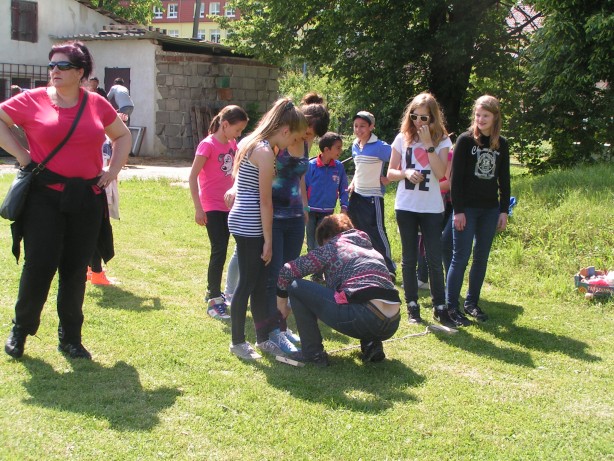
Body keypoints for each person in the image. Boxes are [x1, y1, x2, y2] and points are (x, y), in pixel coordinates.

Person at [0, 40, 131, 359]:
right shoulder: (32, 100)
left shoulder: (96, 104)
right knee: (39, 265)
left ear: (81, 72)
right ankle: (21, 330)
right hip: (44, 197)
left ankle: (71, 338)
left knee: (75, 270)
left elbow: (122, 135)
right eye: (52, 65)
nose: (54, 71)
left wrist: (112, 170)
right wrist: (22, 155)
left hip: (86, 197)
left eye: (62, 65)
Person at [226, 97, 307, 361]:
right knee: (248, 283)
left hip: (245, 219)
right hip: (250, 223)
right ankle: (238, 342)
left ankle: (263, 338)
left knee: (260, 284)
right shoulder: (263, 151)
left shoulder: (251, 143)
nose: (291, 144)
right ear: (284, 130)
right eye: (292, 138)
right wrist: (269, 240)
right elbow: (265, 201)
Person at [276, 214, 401, 366]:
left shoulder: (332, 247)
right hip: (392, 322)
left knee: (297, 287)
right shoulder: (370, 250)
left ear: (326, 237)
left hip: (365, 316)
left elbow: (287, 271)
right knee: (358, 291)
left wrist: (282, 305)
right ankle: (371, 345)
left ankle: (313, 353)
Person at [387, 92, 467, 327]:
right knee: (409, 258)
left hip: (431, 208)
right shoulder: (402, 138)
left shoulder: (442, 140)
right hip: (406, 206)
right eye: (415, 117)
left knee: (433, 258)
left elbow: (441, 173)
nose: (418, 122)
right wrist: (405, 173)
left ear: (433, 118)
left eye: (424, 118)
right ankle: (412, 305)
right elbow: (390, 173)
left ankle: (440, 307)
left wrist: (429, 145)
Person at [260, 92, 330, 356]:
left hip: (294, 217)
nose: (307, 137)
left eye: (312, 135)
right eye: (307, 132)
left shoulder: (306, 145)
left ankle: (282, 325)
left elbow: (300, 177)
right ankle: (273, 332)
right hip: (274, 217)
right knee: (274, 275)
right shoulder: (278, 141)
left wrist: (305, 206)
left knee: (289, 274)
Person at [446, 95, 511, 322]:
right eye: (478, 115)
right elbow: (455, 180)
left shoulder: (502, 144)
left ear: (495, 118)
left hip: (490, 210)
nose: (481, 119)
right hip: (467, 210)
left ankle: (471, 303)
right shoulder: (465, 140)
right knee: (460, 258)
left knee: (481, 258)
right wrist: (458, 211)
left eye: (485, 116)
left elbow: (504, 179)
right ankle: (451, 307)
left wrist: (504, 210)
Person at [189, 105, 249, 320]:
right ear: (225, 125)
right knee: (219, 250)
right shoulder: (207, 145)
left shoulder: (232, 144)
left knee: (231, 247)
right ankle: (214, 299)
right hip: (212, 206)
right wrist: (198, 208)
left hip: (229, 206)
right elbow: (192, 177)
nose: (239, 134)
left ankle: (216, 292)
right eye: (237, 129)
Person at [347, 110, 396, 279]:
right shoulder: (355, 145)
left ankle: (388, 268)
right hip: (356, 195)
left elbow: (399, 159)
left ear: (371, 127)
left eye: (362, 126)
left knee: (377, 232)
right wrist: (353, 182)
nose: (358, 129)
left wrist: (389, 178)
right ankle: (363, 265)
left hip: (373, 197)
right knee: (356, 231)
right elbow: (358, 168)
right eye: (356, 126)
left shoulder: (380, 146)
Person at [305, 131, 349, 252]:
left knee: (321, 245)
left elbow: (344, 189)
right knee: (311, 244)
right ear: (326, 149)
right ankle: (313, 263)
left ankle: (320, 264)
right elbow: (303, 189)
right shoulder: (311, 166)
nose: (341, 151)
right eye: (338, 148)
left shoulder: (339, 167)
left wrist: (344, 207)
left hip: (327, 213)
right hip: (310, 212)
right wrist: (304, 209)